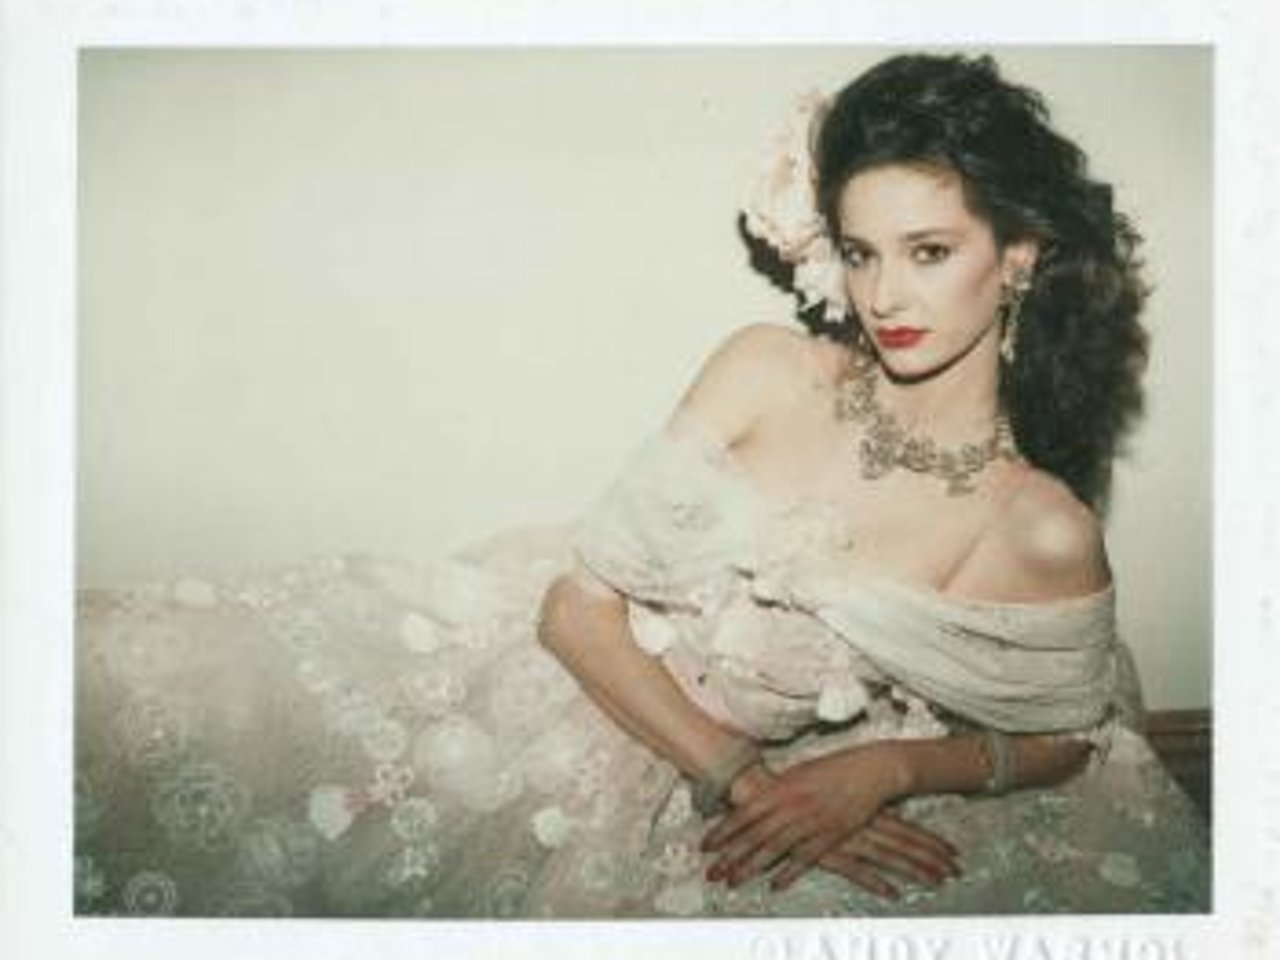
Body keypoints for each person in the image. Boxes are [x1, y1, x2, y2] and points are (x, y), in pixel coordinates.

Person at [74, 53, 1209, 918]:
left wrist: (884, 768)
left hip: (696, 792)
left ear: (1017, 256)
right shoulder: (767, 370)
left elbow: (1066, 735)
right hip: (528, 680)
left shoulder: (1037, 528)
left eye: (927, 251)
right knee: (136, 681)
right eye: (861, 252)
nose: (882, 296)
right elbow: (574, 611)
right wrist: (740, 777)